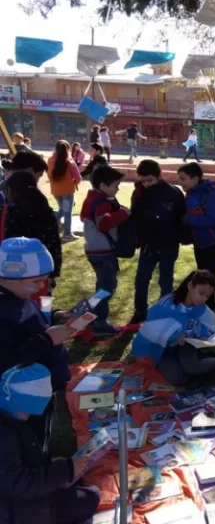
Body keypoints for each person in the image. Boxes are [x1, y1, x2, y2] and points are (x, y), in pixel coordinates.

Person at [0, 362, 100, 524]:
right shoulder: (5, 433)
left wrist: (54, 466)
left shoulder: (10, 418)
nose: (28, 416)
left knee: (82, 486)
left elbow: (20, 464)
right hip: (13, 511)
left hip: (19, 497)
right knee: (90, 496)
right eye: (27, 411)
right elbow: (17, 485)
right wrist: (65, 470)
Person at [0, 238, 74, 444]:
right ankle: (36, 470)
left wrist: (56, 316)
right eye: (37, 281)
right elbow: (7, 357)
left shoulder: (17, 295)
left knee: (44, 430)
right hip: (20, 396)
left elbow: (31, 318)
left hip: (42, 386)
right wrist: (48, 339)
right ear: (11, 276)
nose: (43, 285)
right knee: (28, 441)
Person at [130, 270, 215, 385]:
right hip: (162, 348)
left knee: (192, 366)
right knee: (178, 377)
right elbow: (152, 328)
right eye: (201, 293)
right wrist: (175, 337)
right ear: (190, 286)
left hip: (186, 345)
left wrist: (205, 337)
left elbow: (205, 327)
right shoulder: (168, 302)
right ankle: (204, 361)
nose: (203, 298)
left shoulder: (202, 309)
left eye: (207, 296)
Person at [130, 159, 188, 325]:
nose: (147, 184)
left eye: (150, 180)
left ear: (159, 176)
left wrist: (180, 235)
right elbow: (135, 216)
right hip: (149, 244)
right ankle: (140, 310)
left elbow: (182, 217)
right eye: (143, 181)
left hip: (169, 243)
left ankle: (165, 309)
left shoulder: (173, 193)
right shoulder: (140, 192)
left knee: (166, 280)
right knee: (142, 278)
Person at [177, 163, 215, 317]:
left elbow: (214, 219)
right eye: (179, 179)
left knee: (207, 276)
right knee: (209, 274)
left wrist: (189, 220)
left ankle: (211, 310)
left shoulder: (209, 193)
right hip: (200, 242)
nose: (181, 182)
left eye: (183, 179)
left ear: (195, 178)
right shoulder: (191, 193)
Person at [80, 165, 131, 336]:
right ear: (103, 186)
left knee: (104, 286)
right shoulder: (100, 203)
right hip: (101, 252)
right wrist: (123, 213)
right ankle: (98, 322)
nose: (117, 189)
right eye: (115, 186)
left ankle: (90, 317)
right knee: (106, 288)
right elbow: (103, 224)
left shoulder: (93, 199)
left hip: (95, 251)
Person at [3, 172, 63, 300]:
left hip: (12, 275)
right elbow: (55, 243)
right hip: (40, 273)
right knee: (39, 310)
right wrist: (53, 273)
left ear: (11, 191)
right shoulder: (46, 211)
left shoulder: (9, 212)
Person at [47, 140, 82, 242]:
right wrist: (73, 182)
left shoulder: (50, 160)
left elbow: (49, 175)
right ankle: (67, 234)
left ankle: (52, 219)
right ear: (67, 150)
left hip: (55, 190)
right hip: (67, 191)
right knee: (67, 212)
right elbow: (78, 178)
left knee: (63, 210)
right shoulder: (70, 162)